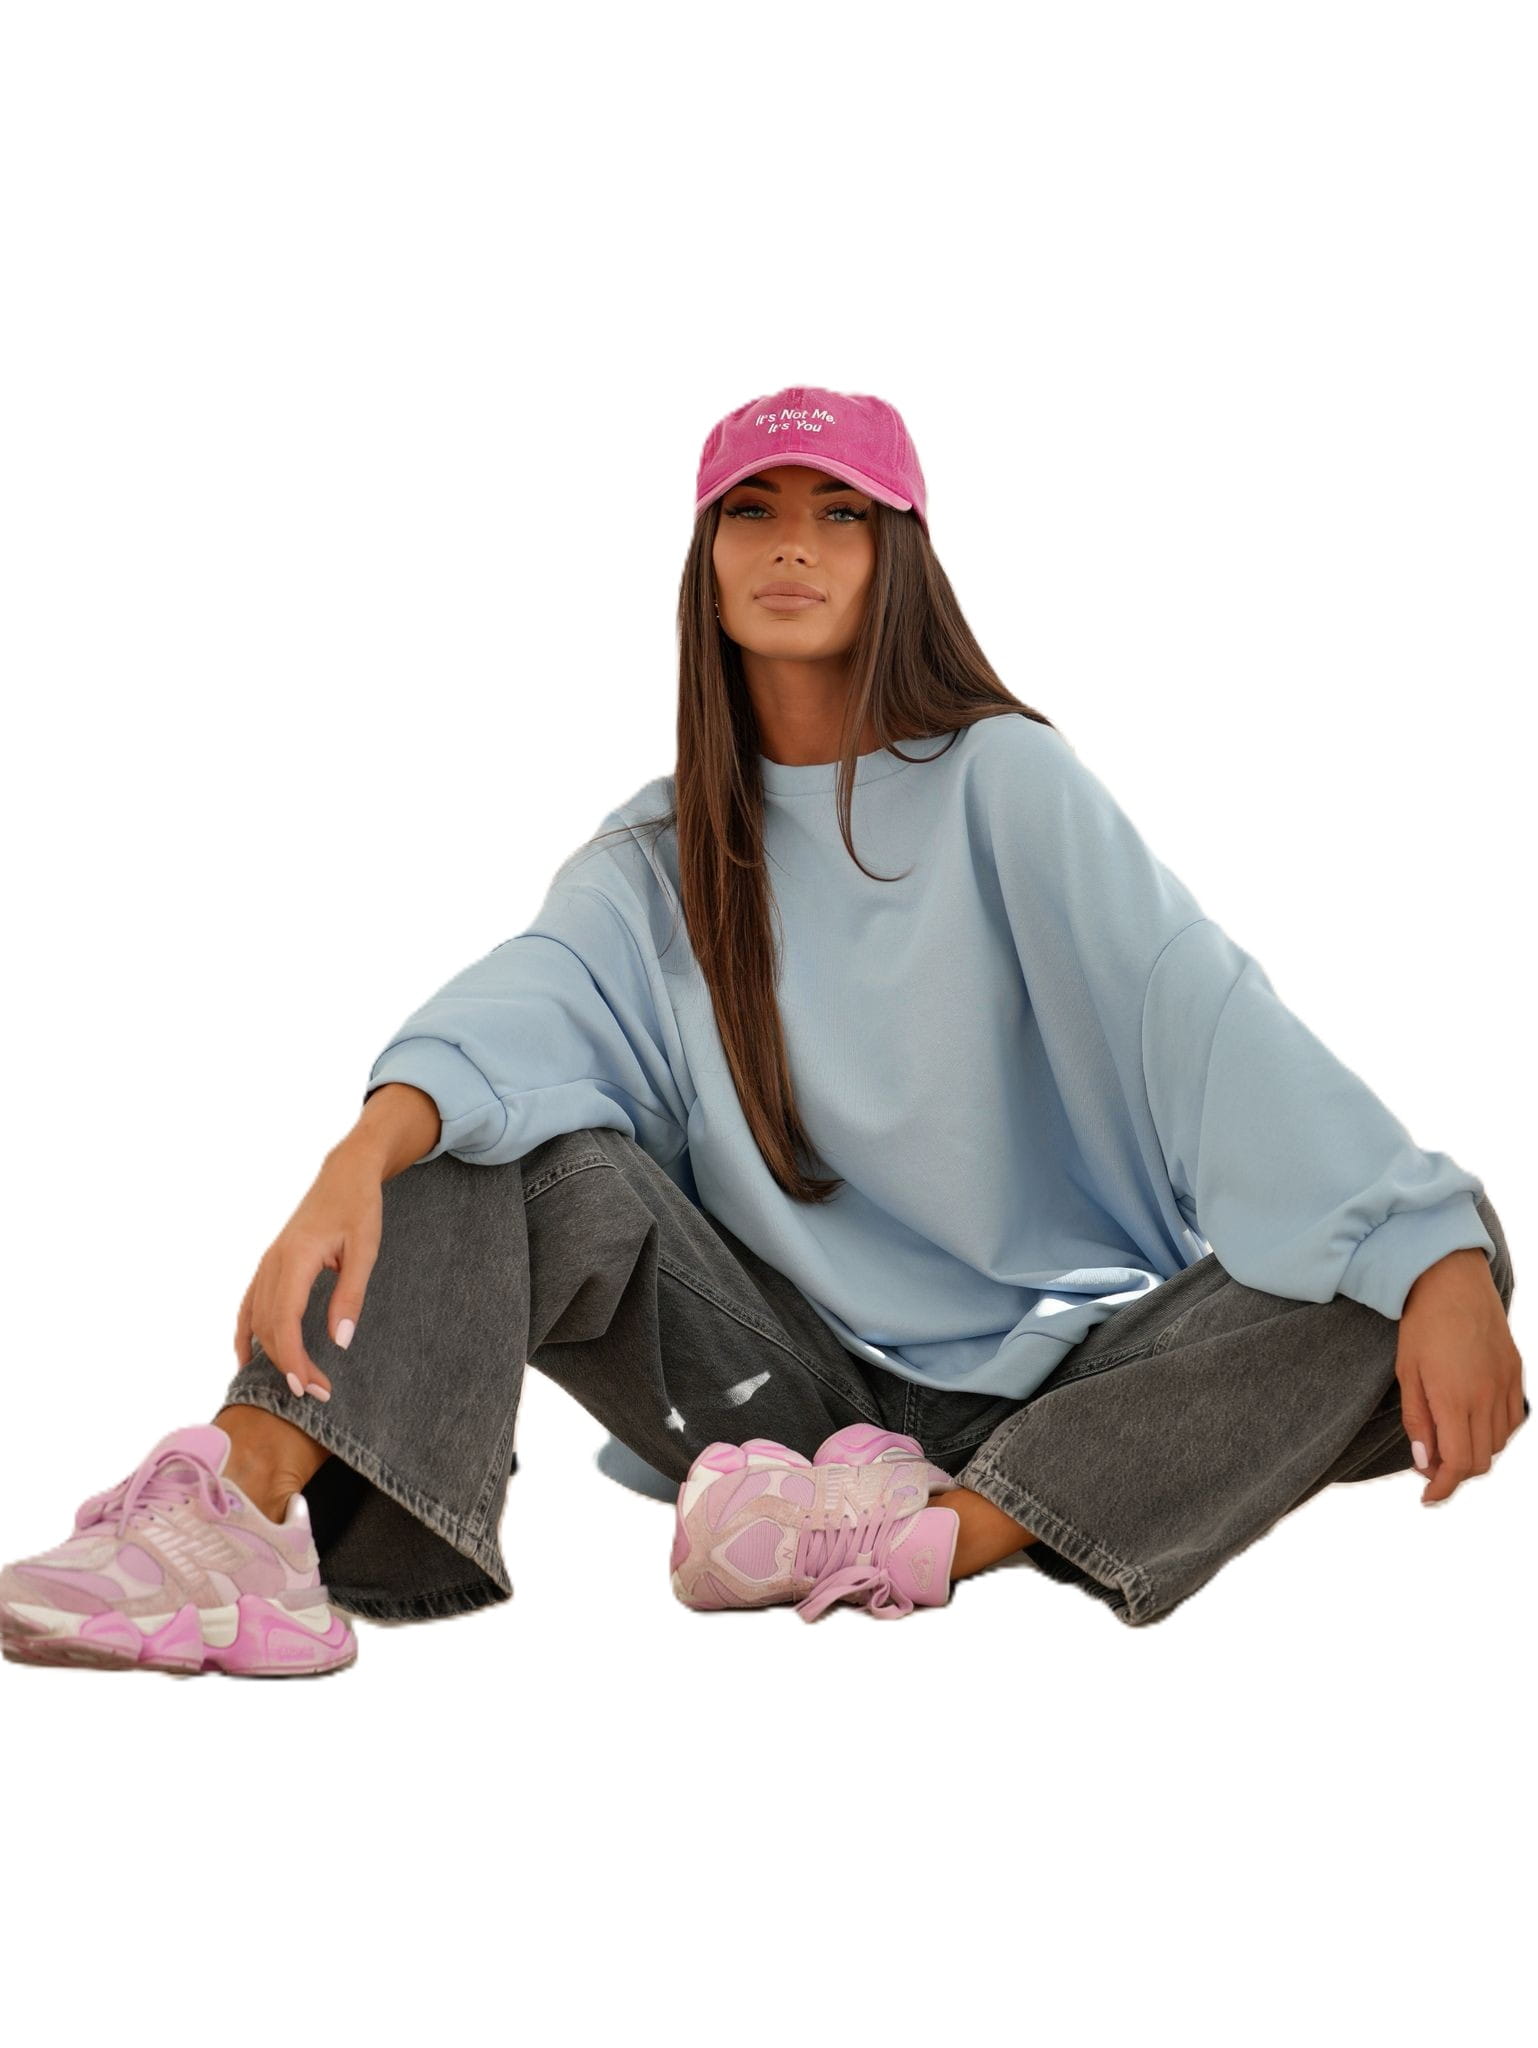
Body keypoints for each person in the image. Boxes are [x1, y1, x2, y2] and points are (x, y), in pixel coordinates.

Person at [1, 384, 1524, 1677]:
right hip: (776, 1405)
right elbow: (521, 1012)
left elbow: (1203, 1021)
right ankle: (237, 1518)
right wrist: (357, 1153)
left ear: (896, 557)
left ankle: (940, 1531)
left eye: (839, 512)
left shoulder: (1004, 783)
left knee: (1408, 1272)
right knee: (487, 1140)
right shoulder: (655, 858)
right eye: (754, 509)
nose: (793, 540)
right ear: (708, 561)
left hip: (1069, 1378)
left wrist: (1438, 1257)